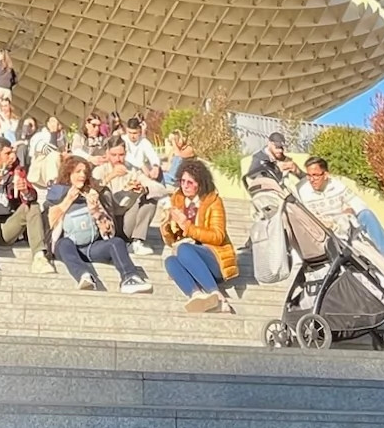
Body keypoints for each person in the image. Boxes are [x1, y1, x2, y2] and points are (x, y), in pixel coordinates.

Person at [44, 154, 151, 294]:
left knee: (117, 242)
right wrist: (68, 200)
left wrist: (96, 212)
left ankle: (129, 277)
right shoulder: (57, 193)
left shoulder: (92, 194)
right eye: (78, 172)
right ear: (68, 173)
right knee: (64, 244)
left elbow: (107, 229)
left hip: (91, 247)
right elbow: (50, 221)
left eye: (85, 172)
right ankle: (82, 275)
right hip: (68, 246)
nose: (82, 175)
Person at [295, 155, 384, 275]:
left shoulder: (338, 186)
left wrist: (351, 210)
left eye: (315, 175)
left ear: (325, 175)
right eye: (309, 175)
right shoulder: (303, 191)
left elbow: (358, 204)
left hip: (345, 225)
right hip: (323, 230)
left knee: (366, 214)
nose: (311, 179)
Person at [161, 158, 240, 313]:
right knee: (170, 261)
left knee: (184, 249)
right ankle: (196, 294)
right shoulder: (177, 199)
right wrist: (166, 226)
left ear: (200, 183)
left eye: (190, 182)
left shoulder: (213, 201)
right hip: (188, 256)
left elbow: (218, 236)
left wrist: (187, 227)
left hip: (214, 257)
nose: (185, 186)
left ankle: (216, 294)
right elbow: (172, 241)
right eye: (182, 181)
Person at [0, 136, 51, 269]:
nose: (12, 156)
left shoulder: (16, 171)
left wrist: (25, 191)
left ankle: (39, 257)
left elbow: (32, 196)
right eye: (7, 153)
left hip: (8, 225)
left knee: (32, 206)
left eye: (12, 152)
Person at [95, 133, 165, 257]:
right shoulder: (100, 170)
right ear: (107, 154)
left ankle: (137, 240)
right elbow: (91, 191)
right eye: (114, 155)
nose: (118, 159)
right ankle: (107, 239)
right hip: (108, 221)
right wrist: (110, 176)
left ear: (125, 154)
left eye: (121, 155)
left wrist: (144, 189)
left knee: (151, 197)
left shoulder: (132, 171)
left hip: (127, 221)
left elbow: (160, 189)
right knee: (104, 193)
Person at [0, 48, 18, 123]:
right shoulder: (10, 67)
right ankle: (8, 123)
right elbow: (15, 80)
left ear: (1, 56)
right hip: (7, 90)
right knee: (6, 110)